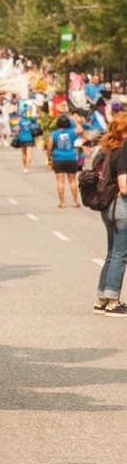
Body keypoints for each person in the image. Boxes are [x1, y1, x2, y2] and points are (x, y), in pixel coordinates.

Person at [94, 114, 127, 314]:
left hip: (107, 207)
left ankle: (101, 299)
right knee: (120, 255)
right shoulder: (121, 153)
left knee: (112, 253)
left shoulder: (105, 151)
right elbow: (124, 187)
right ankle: (113, 301)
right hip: (120, 208)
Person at [49, 113, 82, 209]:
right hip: (71, 158)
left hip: (58, 158)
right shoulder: (72, 132)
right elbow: (80, 129)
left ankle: (62, 202)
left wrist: (50, 159)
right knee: (72, 180)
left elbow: (49, 147)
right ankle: (75, 202)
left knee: (60, 180)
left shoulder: (53, 134)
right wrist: (74, 120)